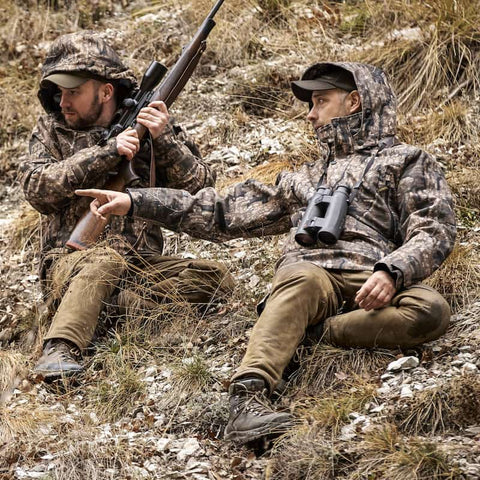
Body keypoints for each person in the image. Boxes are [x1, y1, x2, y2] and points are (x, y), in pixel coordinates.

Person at [76, 62, 456, 443]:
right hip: (309, 277)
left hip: (370, 275)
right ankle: (247, 400)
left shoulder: (407, 161)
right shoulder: (302, 178)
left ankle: (312, 333)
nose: (310, 114)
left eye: (320, 101)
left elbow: (434, 228)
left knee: (430, 310)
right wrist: (135, 200)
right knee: (302, 277)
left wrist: (392, 270)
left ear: (354, 101)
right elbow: (220, 211)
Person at [21, 31, 233, 381]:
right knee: (103, 260)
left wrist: (165, 141)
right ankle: (59, 348)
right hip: (70, 263)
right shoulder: (50, 130)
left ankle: (112, 309)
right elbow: (36, 189)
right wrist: (107, 153)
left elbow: (202, 191)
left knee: (214, 277)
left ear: (106, 91)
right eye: (58, 92)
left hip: (139, 265)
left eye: (73, 91)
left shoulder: (153, 125)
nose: (63, 102)